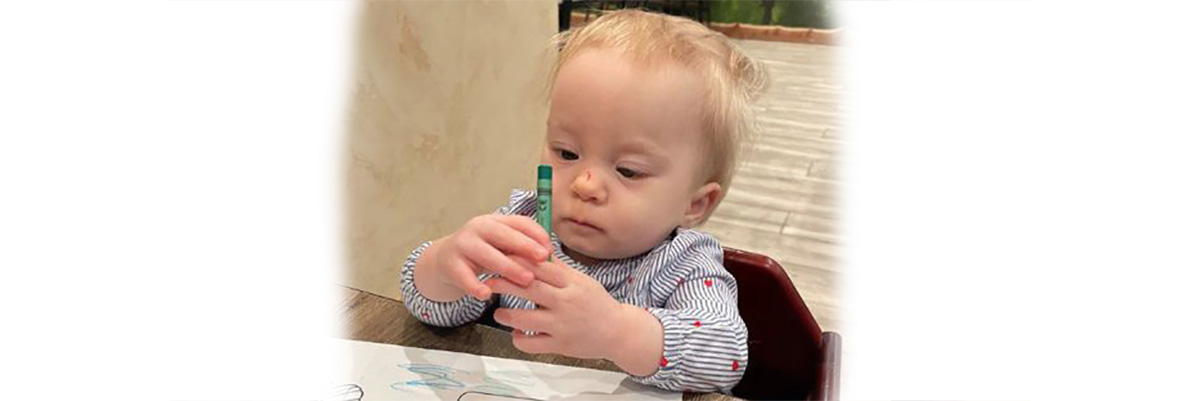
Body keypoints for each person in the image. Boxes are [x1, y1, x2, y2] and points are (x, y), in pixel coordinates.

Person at [400, 9, 769, 393]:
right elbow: (432, 310)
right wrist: (444, 264)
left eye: (628, 170)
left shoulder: (682, 266)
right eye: (566, 153)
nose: (586, 184)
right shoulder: (521, 225)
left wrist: (616, 331)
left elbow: (725, 358)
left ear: (695, 204)